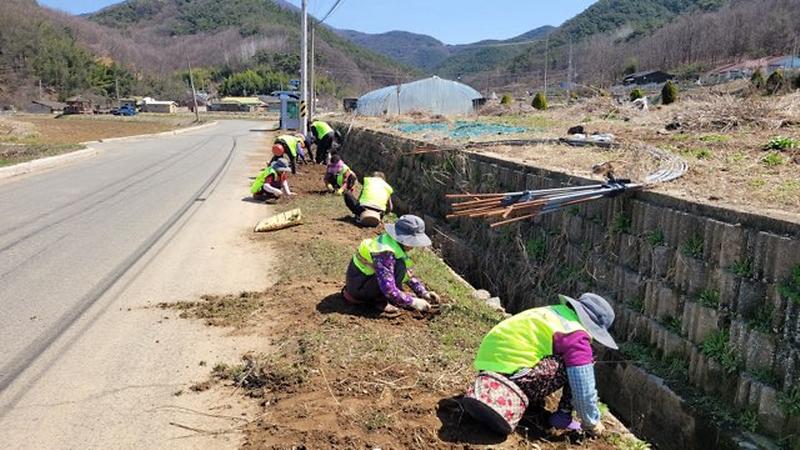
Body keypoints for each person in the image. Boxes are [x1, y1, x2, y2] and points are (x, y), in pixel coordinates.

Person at [467, 293, 617, 436]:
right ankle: (563, 416)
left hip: (487, 368)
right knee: (583, 362)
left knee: (560, 356)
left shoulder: (553, 312)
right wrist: (592, 422)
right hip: (514, 377)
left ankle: (509, 396)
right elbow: (583, 388)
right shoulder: (576, 335)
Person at [343, 215, 441, 314]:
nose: (414, 245)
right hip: (358, 288)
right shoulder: (385, 253)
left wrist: (423, 292)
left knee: (400, 266)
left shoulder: (392, 244)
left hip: (360, 282)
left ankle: (391, 296)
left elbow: (407, 275)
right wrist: (413, 302)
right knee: (399, 267)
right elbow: (389, 289)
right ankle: (378, 301)